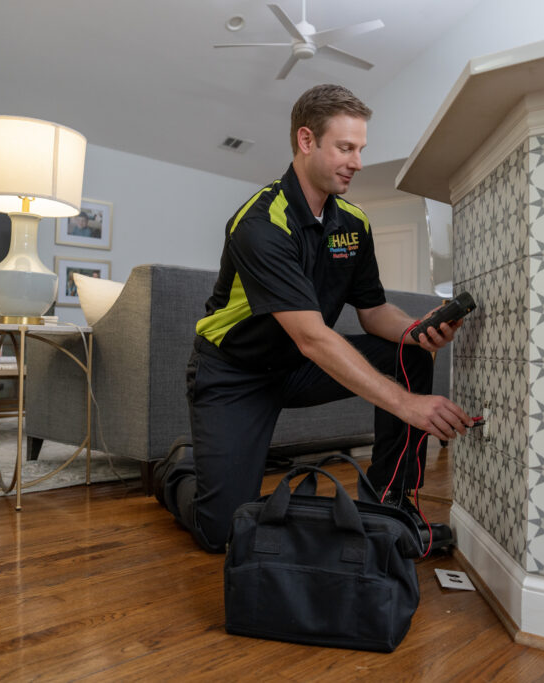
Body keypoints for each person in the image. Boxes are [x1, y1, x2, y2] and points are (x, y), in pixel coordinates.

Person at [156, 84, 474, 553]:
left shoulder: (353, 224)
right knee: (222, 532)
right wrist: (407, 405)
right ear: (307, 141)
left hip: (298, 369)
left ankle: (391, 506)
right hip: (234, 373)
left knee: (405, 353)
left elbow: (373, 313)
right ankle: (178, 468)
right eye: (346, 148)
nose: (358, 162)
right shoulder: (260, 224)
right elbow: (311, 337)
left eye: (360, 149)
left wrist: (415, 329)